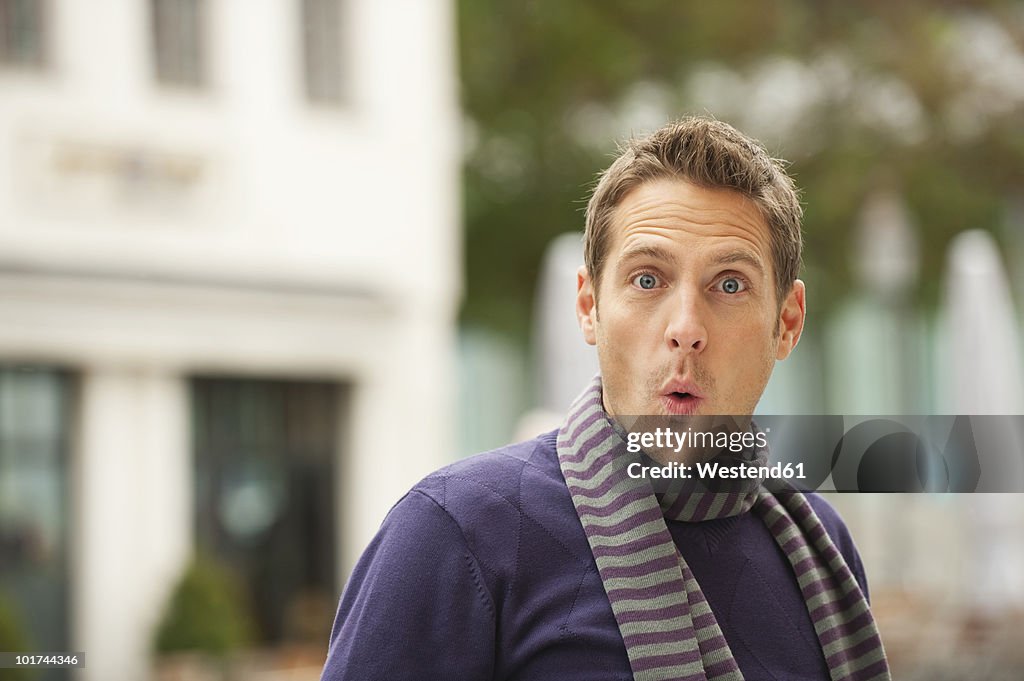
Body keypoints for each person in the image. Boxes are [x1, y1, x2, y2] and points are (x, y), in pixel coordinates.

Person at [320, 117, 890, 681]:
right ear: (589, 306)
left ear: (787, 322)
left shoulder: (819, 547)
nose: (686, 327)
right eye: (648, 279)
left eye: (730, 284)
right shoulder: (456, 534)